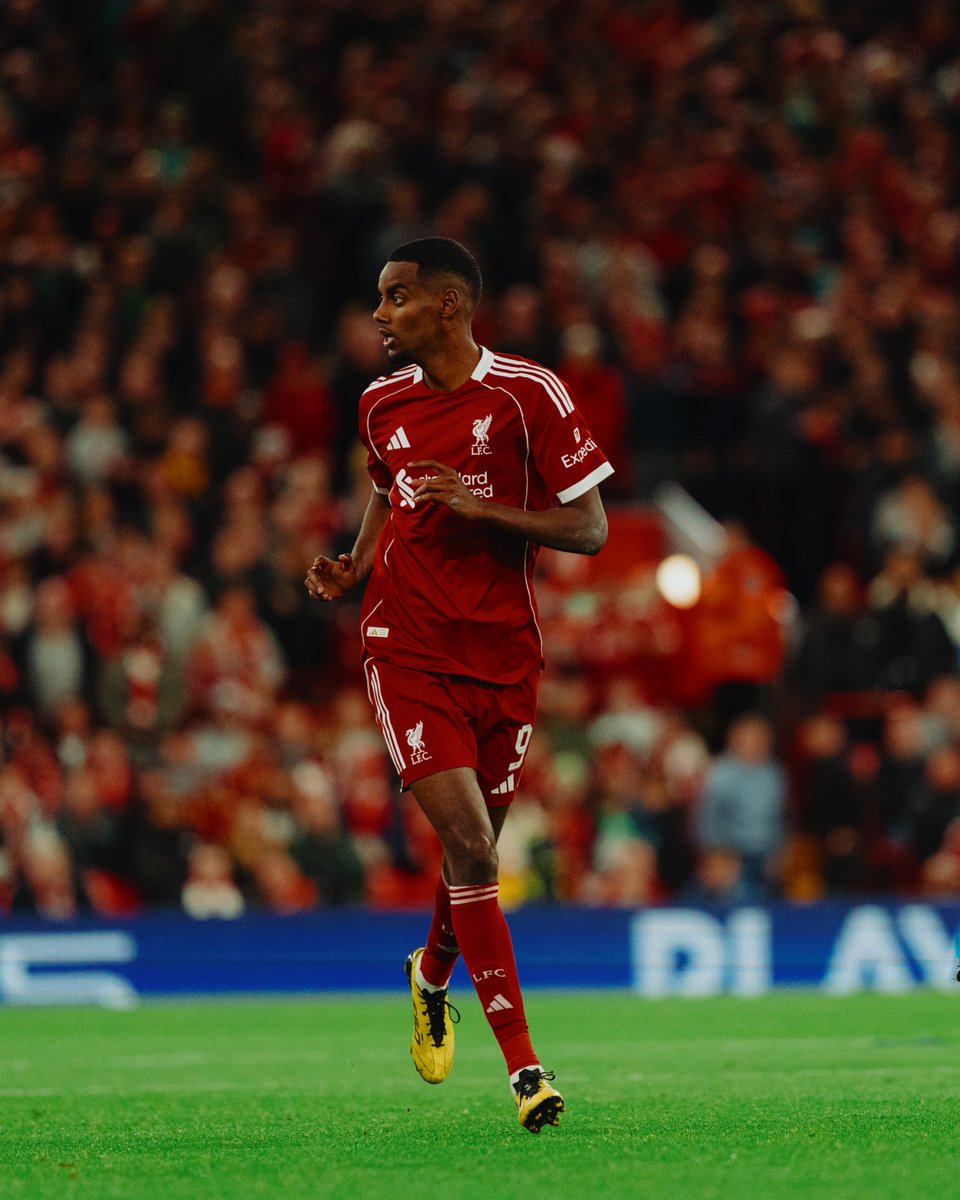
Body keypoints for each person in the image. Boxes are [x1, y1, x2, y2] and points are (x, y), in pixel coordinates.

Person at [305, 238, 612, 1133]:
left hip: (505, 658)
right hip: (405, 647)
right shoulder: (380, 403)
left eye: (395, 298)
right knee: (475, 846)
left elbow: (589, 528)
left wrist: (484, 509)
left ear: (448, 305)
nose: (378, 314)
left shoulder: (529, 394)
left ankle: (431, 974)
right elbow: (385, 484)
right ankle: (527, 1072)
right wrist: (359, 563)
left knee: (471, 857)